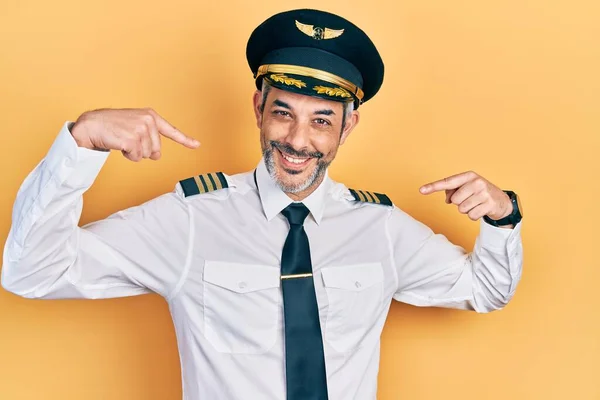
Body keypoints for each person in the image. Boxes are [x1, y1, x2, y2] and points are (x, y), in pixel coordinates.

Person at [1, 8, 523, 400]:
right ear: (258, 108)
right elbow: (32, 272)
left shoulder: (381, 228)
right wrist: (80, 142)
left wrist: (502, 217)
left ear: (349, 125)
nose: (298, 140)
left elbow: (486, 289)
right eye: (283, 113)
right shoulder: (189, 219)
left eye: (322, 119)